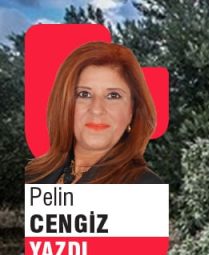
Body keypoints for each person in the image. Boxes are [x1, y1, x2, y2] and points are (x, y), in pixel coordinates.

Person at [25, 42, 163, 185]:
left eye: (113, 96)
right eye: (84, 94)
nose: (97, 109)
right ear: (64, 105)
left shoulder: (144, 187)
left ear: (133, 111)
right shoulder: (34, 176)